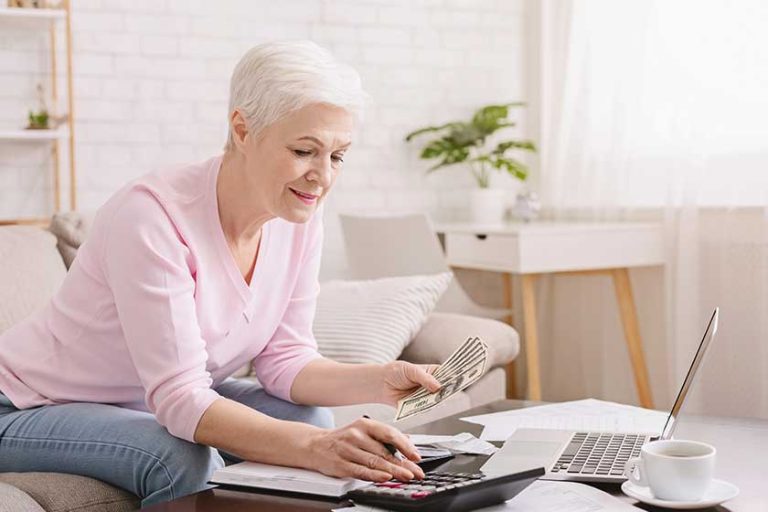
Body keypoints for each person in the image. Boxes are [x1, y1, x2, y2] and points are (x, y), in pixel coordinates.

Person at [0, 41, 442, 507]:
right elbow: (180, 397)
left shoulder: (297, 215)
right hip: (28, 406)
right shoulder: (151, 217)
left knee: (309, 419)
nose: (322, 177)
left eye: (337, 157)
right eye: (304, 150)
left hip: (142, 400)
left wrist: (382, 380)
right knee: (178, 457)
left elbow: (286, 360)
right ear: (243, 129)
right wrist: (314, 451)